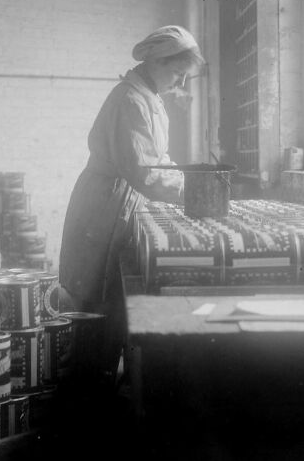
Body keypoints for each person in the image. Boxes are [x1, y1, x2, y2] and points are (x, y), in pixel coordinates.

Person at [59, 25, 204, 382]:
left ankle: (107, 372)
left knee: (116, 291)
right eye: (177, 74)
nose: (180, 84)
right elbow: (144, 172)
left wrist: (190, 179)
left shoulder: (149, 97)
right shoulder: (130, 100)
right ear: (156, 62)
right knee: (99, 290)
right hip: (108, 200)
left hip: (123, 194)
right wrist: (193, 194)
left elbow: (159, 159)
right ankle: (90, 381)